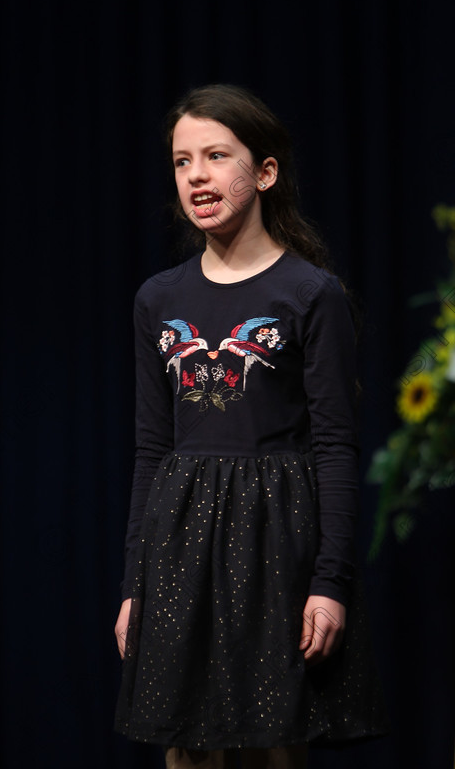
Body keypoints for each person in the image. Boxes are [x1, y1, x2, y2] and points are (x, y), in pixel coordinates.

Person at [114, 84, 388, 768]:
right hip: (181, 543)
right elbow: (152, 447)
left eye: (216, 156)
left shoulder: (308, 294)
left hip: (277, 542)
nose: (197, 175)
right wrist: (134, 585)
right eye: (182, 162)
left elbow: (334, 445)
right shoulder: (158, 298)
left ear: (264, 172)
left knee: (275, 744)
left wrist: (329, 581)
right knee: (187, 747)